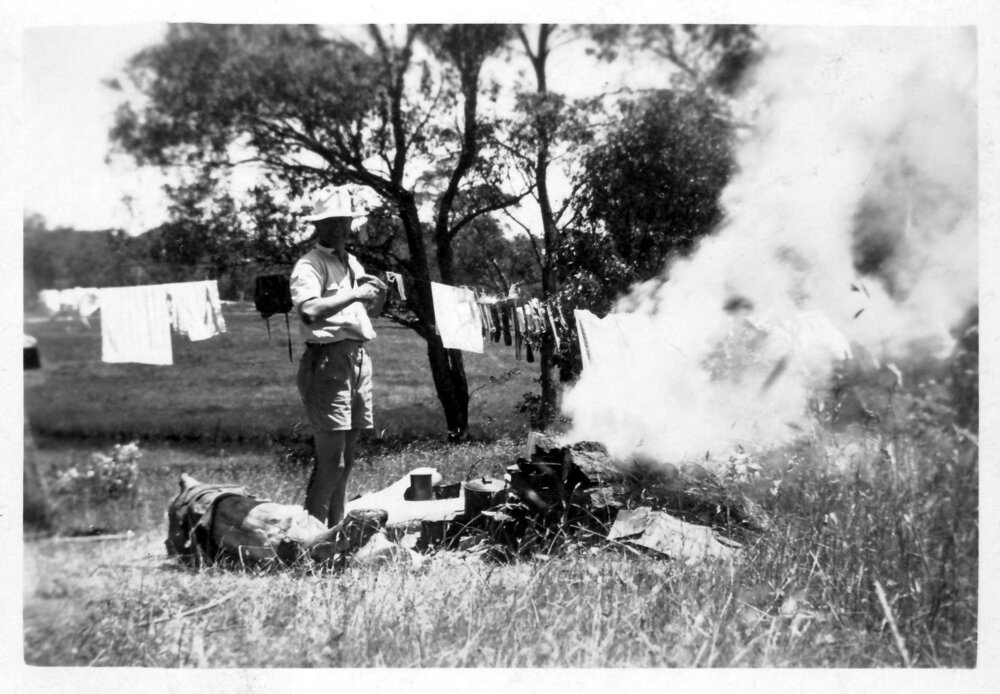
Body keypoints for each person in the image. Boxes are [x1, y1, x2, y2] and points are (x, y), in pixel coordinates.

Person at [290, 187, 386, 527]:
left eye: (344, 221)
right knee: (332, 462)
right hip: (327, 361)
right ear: (317, 226)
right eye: (330, 222)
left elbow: (368, 313)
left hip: (357, 359)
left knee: (347, 460)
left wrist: (379, 294)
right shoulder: (310, 265)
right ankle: (308, 539)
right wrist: (355, 293)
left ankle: (336, 534)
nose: (339, 229)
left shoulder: (352, 263)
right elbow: (309, 311)